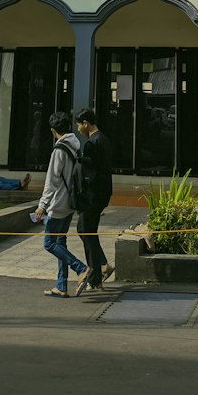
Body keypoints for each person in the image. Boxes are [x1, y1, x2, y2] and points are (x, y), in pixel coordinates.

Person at [33, 111, 87, 298]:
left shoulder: (58, 150)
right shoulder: (75, 144)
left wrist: (42, 205)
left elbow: (52, 181)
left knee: (49, 244)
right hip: (71, 201)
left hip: (58, 203)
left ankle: (81, 269)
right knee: (60, 242)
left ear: (53, 130)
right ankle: (61, 286)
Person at [74, 106, 114, 295]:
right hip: (102, 194)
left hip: (91, 197)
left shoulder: (91, 143)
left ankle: (96, 277)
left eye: (79, 126)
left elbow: (88, 175)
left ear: (85, 123)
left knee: (86, 232)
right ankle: (104, 264)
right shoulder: (103, 139)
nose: (78, 130)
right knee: (85, 230)